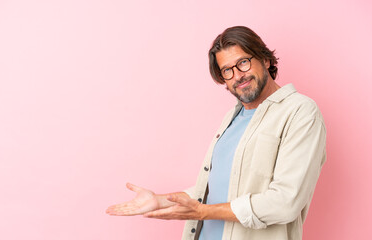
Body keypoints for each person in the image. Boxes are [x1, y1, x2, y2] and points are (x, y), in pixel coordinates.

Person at [106, 26, 326, 240]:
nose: (238, 75)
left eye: (243, 62)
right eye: (227, 71)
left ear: (265, 60)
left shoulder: (300, 111)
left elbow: (285, 202)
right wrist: (160, 200)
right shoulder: (233, 117)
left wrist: (204, 212)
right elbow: (218, 188)